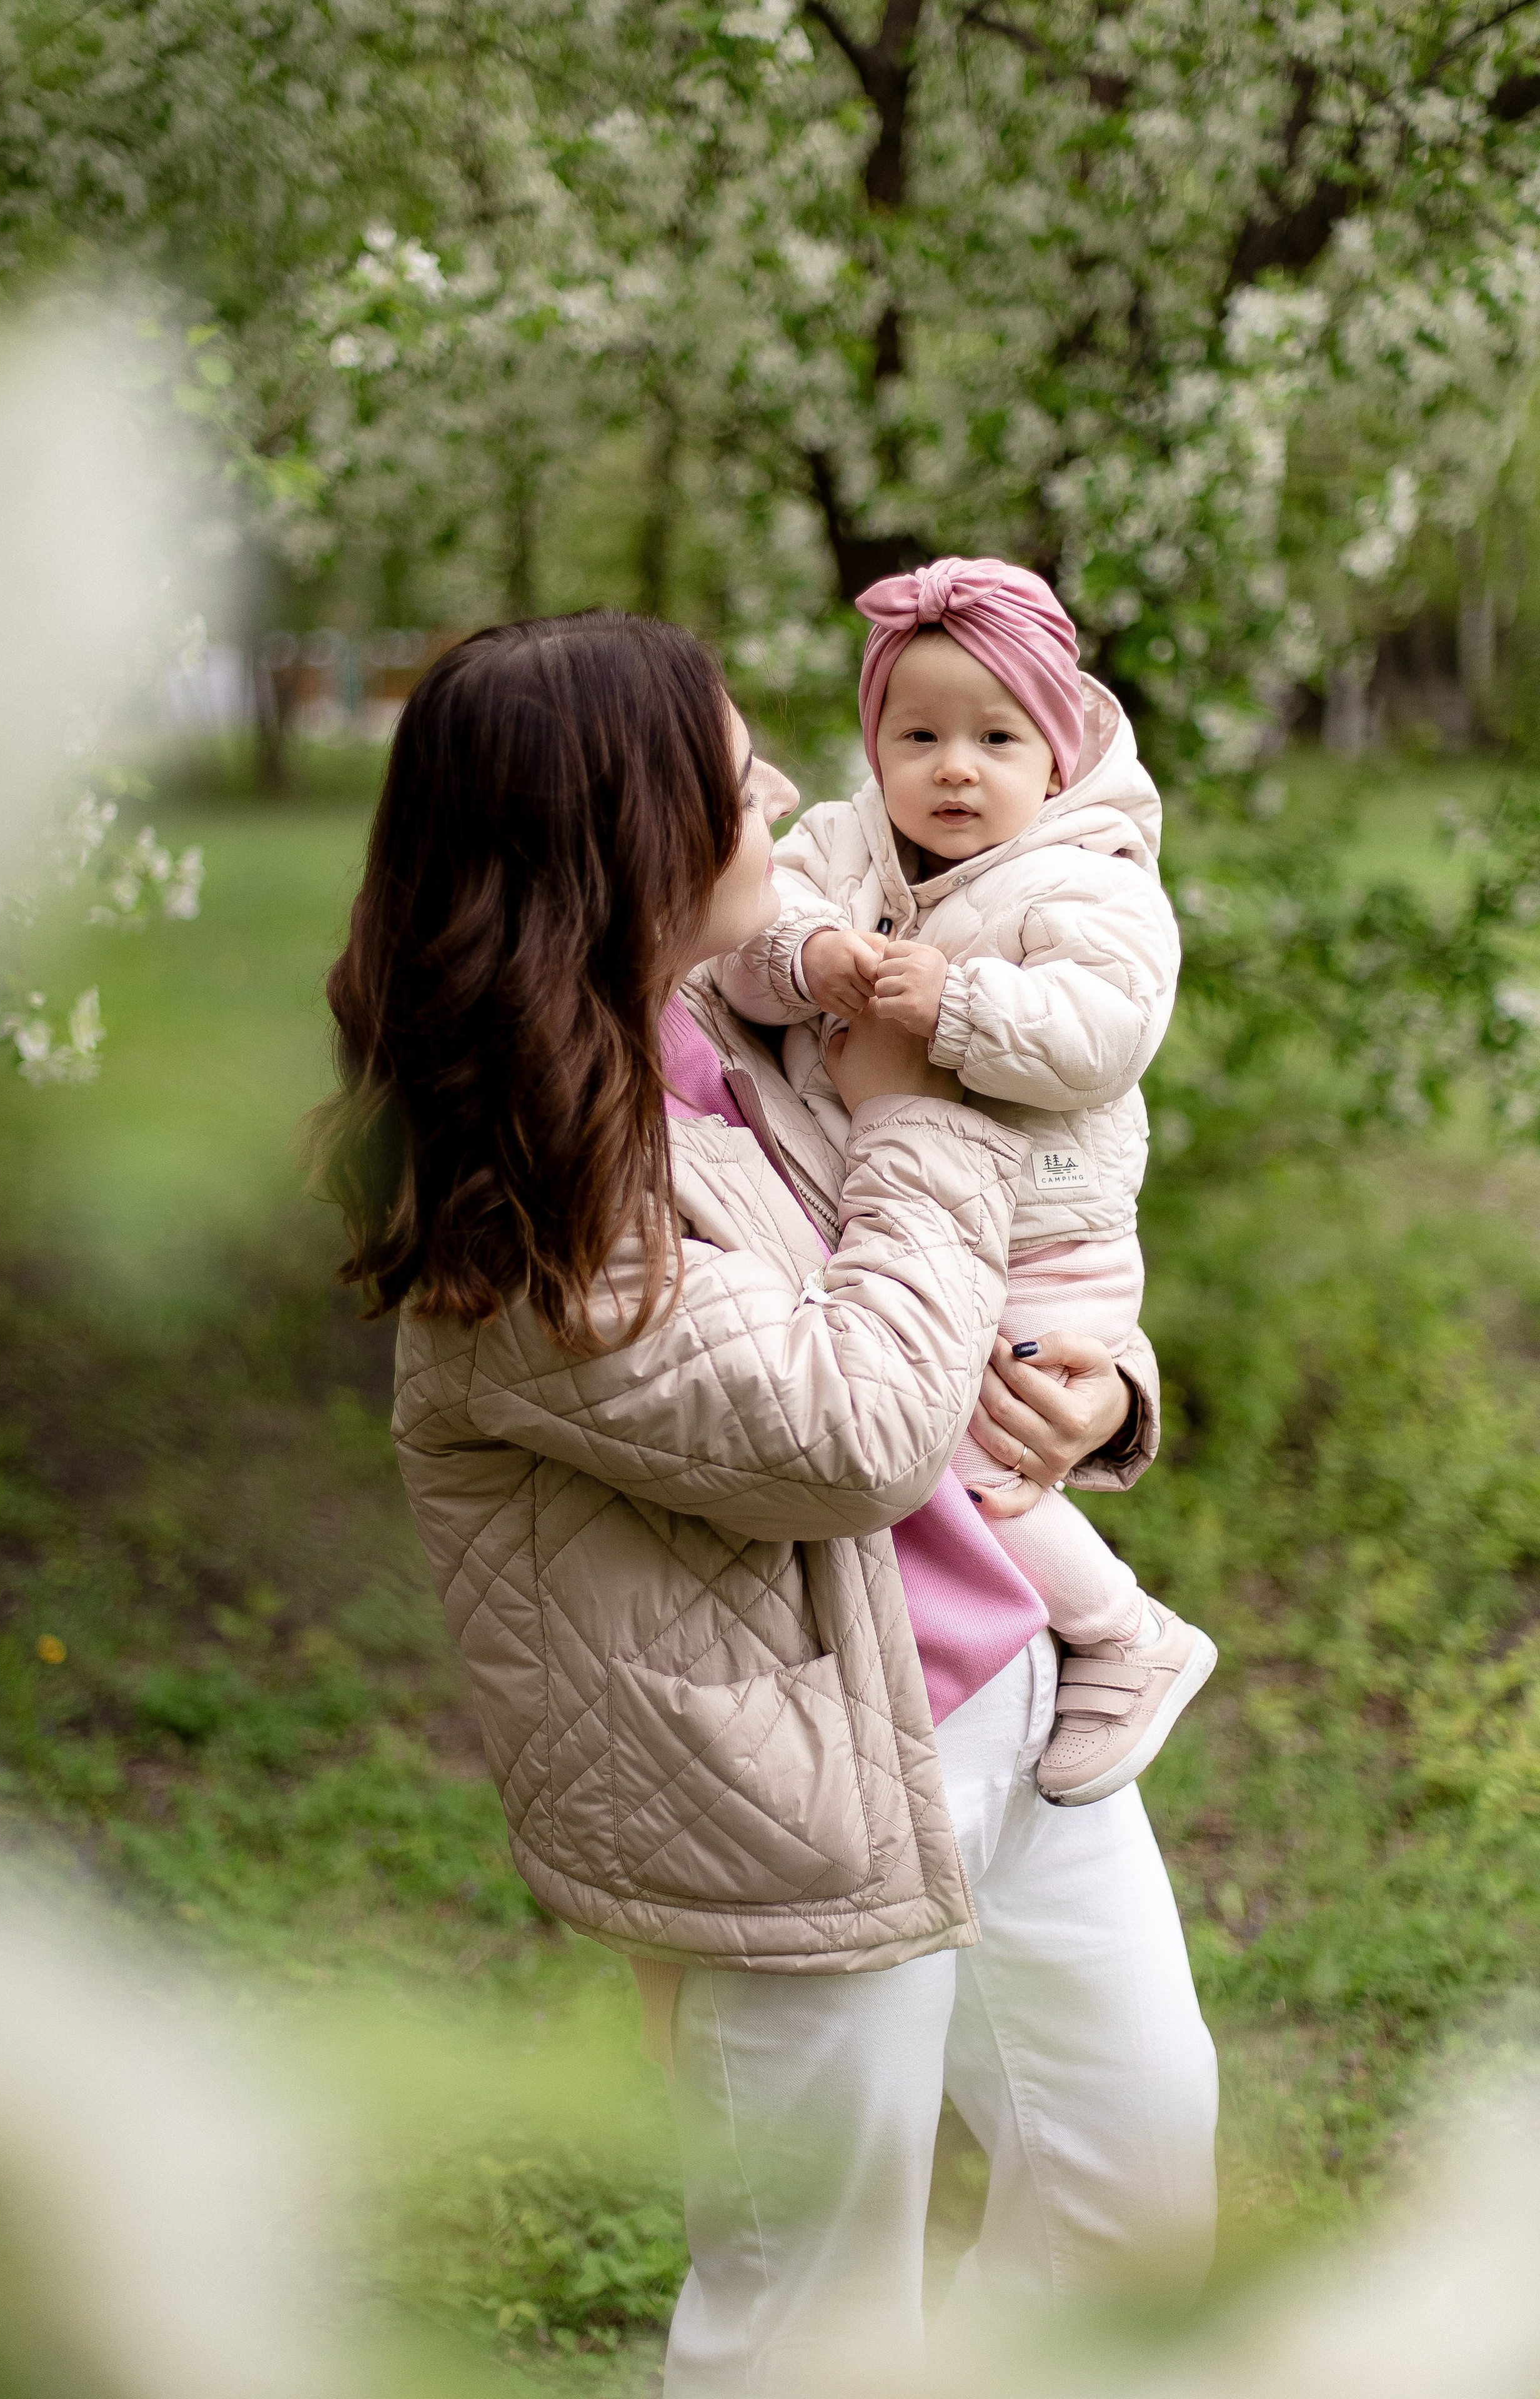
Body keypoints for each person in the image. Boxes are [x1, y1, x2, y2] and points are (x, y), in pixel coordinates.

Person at [315, 610, 1217, 2396]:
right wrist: (932, 1105)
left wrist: (1104, 1386)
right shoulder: (528, 1194)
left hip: (1013, 1705)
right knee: (813, 2311)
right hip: (798, 1801)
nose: (792, 796)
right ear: (631, 837)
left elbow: (966, 1294)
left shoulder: (726, 1030)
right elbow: (859, 1425)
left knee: (1134, 2195)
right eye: (739, 782)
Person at [715, 557, 1215, 1808]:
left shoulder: (1088, 876)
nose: (952, 767)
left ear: (1054, 757)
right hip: (912, 1231)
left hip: (1051, 1240)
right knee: (932, 1435)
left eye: (994, 738)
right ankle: (1023, 1648)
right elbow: (749, 934)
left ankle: (1119, 1633)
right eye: (917, 734)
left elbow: (1103, 1031)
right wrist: (813, 953)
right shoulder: (841, 842)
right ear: (872, 742)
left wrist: (957, 1007)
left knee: (977, 1451)